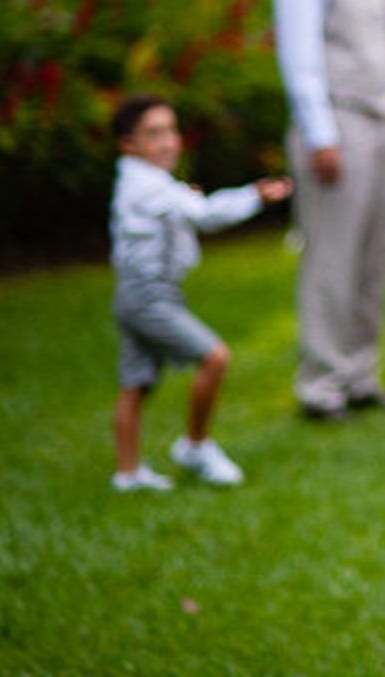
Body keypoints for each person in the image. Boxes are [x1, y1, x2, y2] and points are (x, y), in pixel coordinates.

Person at [270, 0, 385, 421]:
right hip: (336, 119)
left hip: (377, 119)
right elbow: (300, 54)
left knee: (374, 251)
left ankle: (359, 374)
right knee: (332, 253)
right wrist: (320, 134)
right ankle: (320, 385)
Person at [109, 96, 292, 490]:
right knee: (214, 357)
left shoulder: (141, 182)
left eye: (171, 131)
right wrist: (255, 196)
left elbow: (183, 209)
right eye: (154, 134)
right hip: (147, 296)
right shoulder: (147, 187)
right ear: (128, 144)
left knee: (136, 383)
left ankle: (127, 474)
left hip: (134, 293)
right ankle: (195, 445)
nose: (168, 142)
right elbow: (204, 214)